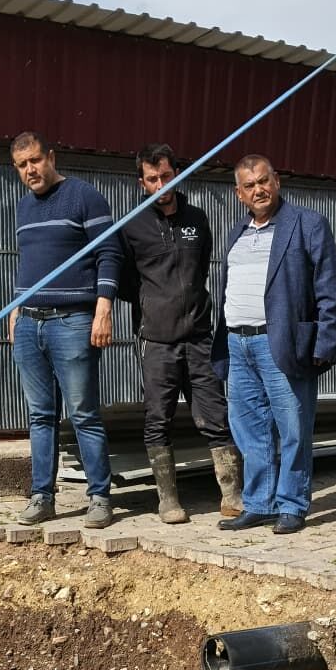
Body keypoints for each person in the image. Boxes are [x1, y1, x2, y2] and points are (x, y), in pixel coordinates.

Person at [212, 155, 336, 535]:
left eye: (264, 181)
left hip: (282, 343)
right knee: (249, 429)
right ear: (239, 194)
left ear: (277, 181)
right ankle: (260, 502)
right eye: (250, 185)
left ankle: (292, 503)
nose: (259, 190)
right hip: (238, 343)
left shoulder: (307, 224)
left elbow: (330, 291)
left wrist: (324, 342)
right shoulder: (236, 232)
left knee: (293, 428)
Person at [118, 144, 244, 524]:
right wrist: (154, 305)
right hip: (157, 340)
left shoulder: (197, 219)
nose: (160, 184)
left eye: (166, 177)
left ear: (177, 175)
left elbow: (201, 268)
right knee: (159, 418)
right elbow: (126, 281)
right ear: (142, 182)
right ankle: (168, 500)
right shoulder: (132, 226)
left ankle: (231, 493)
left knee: (215, 416)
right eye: (152, 179)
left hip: (199, 337)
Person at [7, 131, 122, 529]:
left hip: (73, 321)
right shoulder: (23, 207)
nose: (30, 170)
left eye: (35, 161)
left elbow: (110, 252)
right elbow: (28, 261)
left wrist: (103, 308)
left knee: (83, 413)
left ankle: (99, 498)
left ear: (51, 157)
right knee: (40, 415)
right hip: (29, 322)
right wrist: (16, 309)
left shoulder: (84, 196)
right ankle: (42, 497)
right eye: (22, 165)